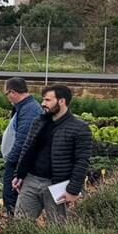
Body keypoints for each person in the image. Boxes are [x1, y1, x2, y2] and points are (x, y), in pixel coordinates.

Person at [13, 85, 93, 225]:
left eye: (48, 100)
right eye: (43, 99)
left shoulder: (79, 128)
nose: (43, 103)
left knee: (57, 228)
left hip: (57, 185)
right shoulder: (39, 121)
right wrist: (19, 175)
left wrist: (73, 190)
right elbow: (27, 149)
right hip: (31, 181)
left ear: (61, 101)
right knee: (20, 225)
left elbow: (82, 161)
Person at [1, 77, 43, 216]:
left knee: (12, 198)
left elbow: (23, 140)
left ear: (12, 92)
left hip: (18, 164)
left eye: (6, 94)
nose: (7, 97)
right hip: (18, 162)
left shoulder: (29, 109)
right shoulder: (25, 107)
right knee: (11, 198)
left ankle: (15, 231)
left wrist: (11, 161)